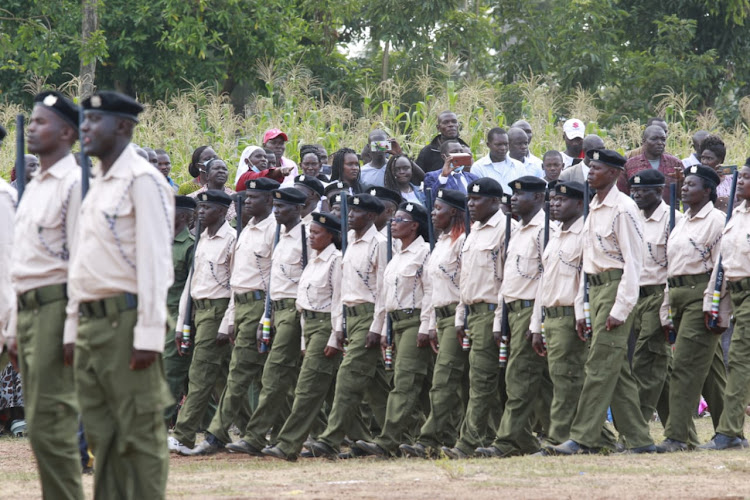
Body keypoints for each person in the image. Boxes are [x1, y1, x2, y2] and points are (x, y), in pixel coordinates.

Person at [65, 90, 174, 498]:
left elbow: (155, 261)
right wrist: (73, 327)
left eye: (95, 121)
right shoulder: (96, 183)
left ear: (124, 127)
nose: (85, 129)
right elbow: (83, 265)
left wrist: (148, 334)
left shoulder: (143, 180)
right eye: (83, 122)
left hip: (125, 322)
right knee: (102, 436)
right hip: (93, 323)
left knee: (139, 436)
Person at [4, 91, 85, 499]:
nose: (32, 128)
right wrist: (15, 326)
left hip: (57, 307)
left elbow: (79, 266)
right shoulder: (34, 187)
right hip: (31, 309)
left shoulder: (74, 185)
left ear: (67, 132)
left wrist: (71, 329)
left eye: (41, 122)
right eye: (31, 122)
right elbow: (21, 264)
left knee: (53, 424)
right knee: (38, 427)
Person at [548, 149, 655, 455]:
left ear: (613, 173)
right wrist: (582, 308)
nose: (590, 172)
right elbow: (588, 263)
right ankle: (639, 439)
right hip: (594, 290)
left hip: (614, 289)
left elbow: (635, 263)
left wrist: (621, 308)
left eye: (596, 168)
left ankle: (582, 437)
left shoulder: (623, 208)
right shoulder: (593, 206)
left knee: (598, 365)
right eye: (589, 167)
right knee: (616, 368)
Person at [187, 178, 280, 453]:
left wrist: (269, 316)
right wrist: (230, 320)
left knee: (241, 373)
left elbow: (274, 279)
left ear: (269, 201)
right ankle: (280, 433)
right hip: (239, 305)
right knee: (266, 376)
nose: (246, 202)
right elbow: (236, 281)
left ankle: (216, 435)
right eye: (246, 197)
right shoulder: (247, 230)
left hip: (259, 305)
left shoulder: (273, 230)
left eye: (252, 198)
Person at [221, 187, 309, 456]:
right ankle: (279, 435)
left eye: (283, 208)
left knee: (276, 374)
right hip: (274, 310)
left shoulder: (306, 236)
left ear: (297, 209)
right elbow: (271, 280)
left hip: (294, 311)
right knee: (281, 377)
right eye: (277, 206)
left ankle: (257, 436)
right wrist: (266, 316)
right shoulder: (282, 237)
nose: (278, 211)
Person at [307, 194, 390, 459]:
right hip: (350, 316)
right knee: (376, 387)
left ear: (371, 216)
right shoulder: (351, 242)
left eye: (357, 211)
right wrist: (339, 324)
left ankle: (330, 440)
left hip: (369, 316)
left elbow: (383, 290)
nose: (350, 215)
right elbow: (342, 289)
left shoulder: (380, 244)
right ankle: (396, 437)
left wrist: (378, 327)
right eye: (350, 210)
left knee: (348, 378)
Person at [474, 176, 551, 458]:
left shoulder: (545, 230)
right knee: (534, 382)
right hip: (512, 311)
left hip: (532, 310)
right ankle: (534, 441)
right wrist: (499, 320)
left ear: (539, 198)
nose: (514, 199)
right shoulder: (516, 230)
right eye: (513, 194)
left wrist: (536, 322)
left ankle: (506, 442)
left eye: (521, 195)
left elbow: (546, 279)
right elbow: (506, 281)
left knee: (520, 379)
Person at [656, 165, 728, 453]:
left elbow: (720, 267)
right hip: (676, 294)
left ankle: (677, 436)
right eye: (683, 184)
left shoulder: (717, 221)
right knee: (710, 370)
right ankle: (729, 431)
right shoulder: (682, 221)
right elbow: (671, 267)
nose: (684, 188)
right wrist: (666, 305)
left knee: (683, 367)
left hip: (701, 295)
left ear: (708, 190)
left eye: (692, 184)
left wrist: (713, 306)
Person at [262, 212, 344, 461]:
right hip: (308, 326)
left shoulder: (336, 260)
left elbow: (339, 301)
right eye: (310, 232)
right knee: (321, 388)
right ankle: (334, 440)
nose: (311, 237)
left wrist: (334, 337)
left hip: (324, 327)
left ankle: (288, 445)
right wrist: (302, 341)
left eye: (317, 233)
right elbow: (303, 304)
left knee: (307, 389)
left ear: (330, 236)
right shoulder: (314, 260)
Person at [356, 202, 432, 458]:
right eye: (394, 218)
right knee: (410, 385)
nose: (394, 222)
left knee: (404, 383)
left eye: (401, 219)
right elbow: (385, 295)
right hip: (396, 322)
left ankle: (387, 441)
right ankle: (423, 436)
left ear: (415, 225)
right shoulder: (396, 253)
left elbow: (430, 292)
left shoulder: (424, 253)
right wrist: (381, 328)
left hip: (414, 321)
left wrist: (426, 326)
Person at [442, 178, 510, 459]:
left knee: (482, 382)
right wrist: (461, 317)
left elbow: (506, 281)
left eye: (477, 200)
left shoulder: (506, 230)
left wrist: (498, 322)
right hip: (472, 313)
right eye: (469, 199)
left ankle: (467, 444)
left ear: (495, 202)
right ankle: (511, 438)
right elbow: (465, 281)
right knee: (481, 382)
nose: (471, 204)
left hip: (492, 312)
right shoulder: (473, 233)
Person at [399, 189, 468, 458]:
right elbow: (431, 290)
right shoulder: (440, 243)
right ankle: (457, 434)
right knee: (459, 383)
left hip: (456, 315)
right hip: (441, 316)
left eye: (438, 208)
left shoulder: (462, 241)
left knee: (443, 380)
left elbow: (466, 285)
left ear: (452, 211)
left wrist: (459, 319)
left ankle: (429, 439)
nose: (434, 214)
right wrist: (429, 324)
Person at [169, 190, 237, 455]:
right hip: (198, 309)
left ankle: (183, 436)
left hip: (218, 310)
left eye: (207, 208)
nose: (200, 212)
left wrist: (227, 322)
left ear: (221, 211)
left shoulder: (232, 240)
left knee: (200, 372)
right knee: (223, 377)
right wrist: (182, 323)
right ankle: (256, 429)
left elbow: (235, 284)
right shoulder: (202, 239)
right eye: (199, 207)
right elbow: (191, 283)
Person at [528, 181, 587, 446]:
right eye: (552, 200)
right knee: (559, 380)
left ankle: (559, 438)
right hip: (550, 315)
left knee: (567, 380)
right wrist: (537, 324)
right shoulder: (555, 237)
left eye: (561, 201)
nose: (554, 204)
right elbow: (544, 283)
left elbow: (584, 281)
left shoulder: (584, 233)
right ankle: (588, 436)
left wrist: (580, 316)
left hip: (568, 316)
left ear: (578, 203)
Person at [699, 162, 750, 450]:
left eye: (746, 178)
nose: (739, 182)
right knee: (739, 361)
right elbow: (724, 263)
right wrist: (715, 301)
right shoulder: (735, 215)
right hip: (737, 295)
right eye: (739, 177)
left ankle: (729, 432)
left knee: (740, 362)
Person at [628, 170, 681, 425]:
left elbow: (676, 266)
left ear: (659, 191)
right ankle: (679, 427)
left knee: (646, 361)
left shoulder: (673, 219)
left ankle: (635, 428)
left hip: (659, 294)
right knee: (662, 366)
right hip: (635, 297)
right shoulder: (632, 218)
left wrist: (668, 304)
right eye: (634, 190)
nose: (636, 194)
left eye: (643, 190)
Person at [163, 196, 197, 428]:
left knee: (170, 372)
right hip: (156, 314)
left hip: (177, 314)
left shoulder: (190, 245)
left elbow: (192, 287)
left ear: (183, 216)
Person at [619, 125, 684, 202]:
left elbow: (684, 196)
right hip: (638, 212)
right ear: (643, 141)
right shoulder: (630, 164)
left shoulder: (675, 164)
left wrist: (681, 181)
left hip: (669, 212)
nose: (660, 143)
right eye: (654, 139)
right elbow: (622, 195)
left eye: (663, 139)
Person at [471, 128, 526, 192]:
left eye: (506, 144)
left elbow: (523, 190)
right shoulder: (478, 167)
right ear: (488, 145)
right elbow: (476, 192)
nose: (503, 148)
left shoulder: (518, 166)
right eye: (498, 145)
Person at [189, 158, 236, 222]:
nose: (221, 171)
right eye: (216, 168)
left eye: (224, 169)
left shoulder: (235, 198)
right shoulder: (193, 198)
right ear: (207, 175)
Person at [699, 135, 733, 212]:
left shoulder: (732, 179)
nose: (704, 162)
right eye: (703, 157)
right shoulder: (698, 180)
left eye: (709, 158)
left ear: (720, 160)